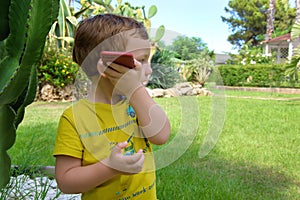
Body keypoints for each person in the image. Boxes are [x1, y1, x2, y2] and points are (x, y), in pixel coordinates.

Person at [53, 13, 171, 200]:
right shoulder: (74, 118)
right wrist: (109, 167)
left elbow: (161, 135)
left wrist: (135, 89)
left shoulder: (136, 102)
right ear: (108, 66)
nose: (148, 69)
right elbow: (66, 181)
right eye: (141, 60)